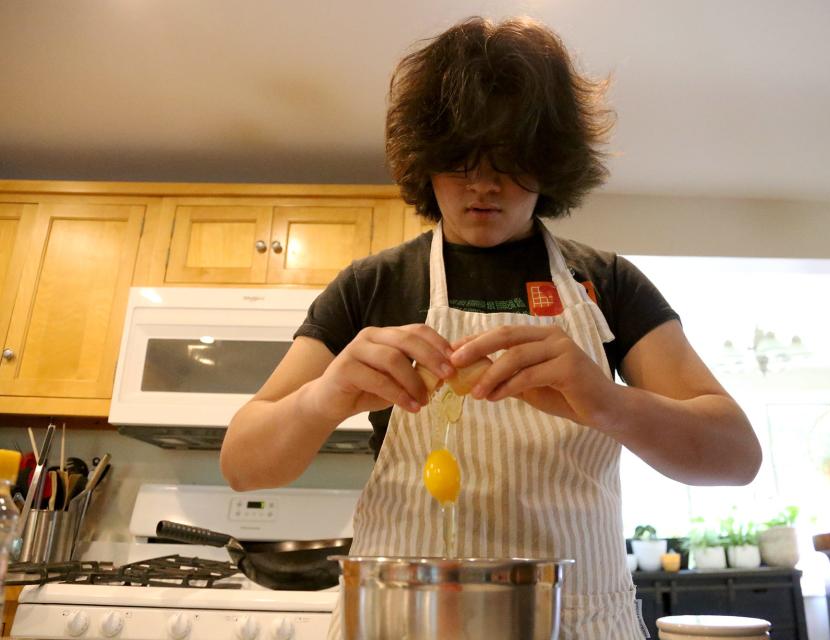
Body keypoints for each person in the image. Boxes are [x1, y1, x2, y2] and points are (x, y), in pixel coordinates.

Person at [220, 15, 762, 639]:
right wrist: (326, 395)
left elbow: (736, 456)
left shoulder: (608, 284)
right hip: (404, 622)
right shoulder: (371, 286)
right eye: (458, 161)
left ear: (549, 163)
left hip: (574, 620)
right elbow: (243, 464)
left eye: (509, 160)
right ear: (426, 161)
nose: (481, 184)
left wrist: (608, 402)